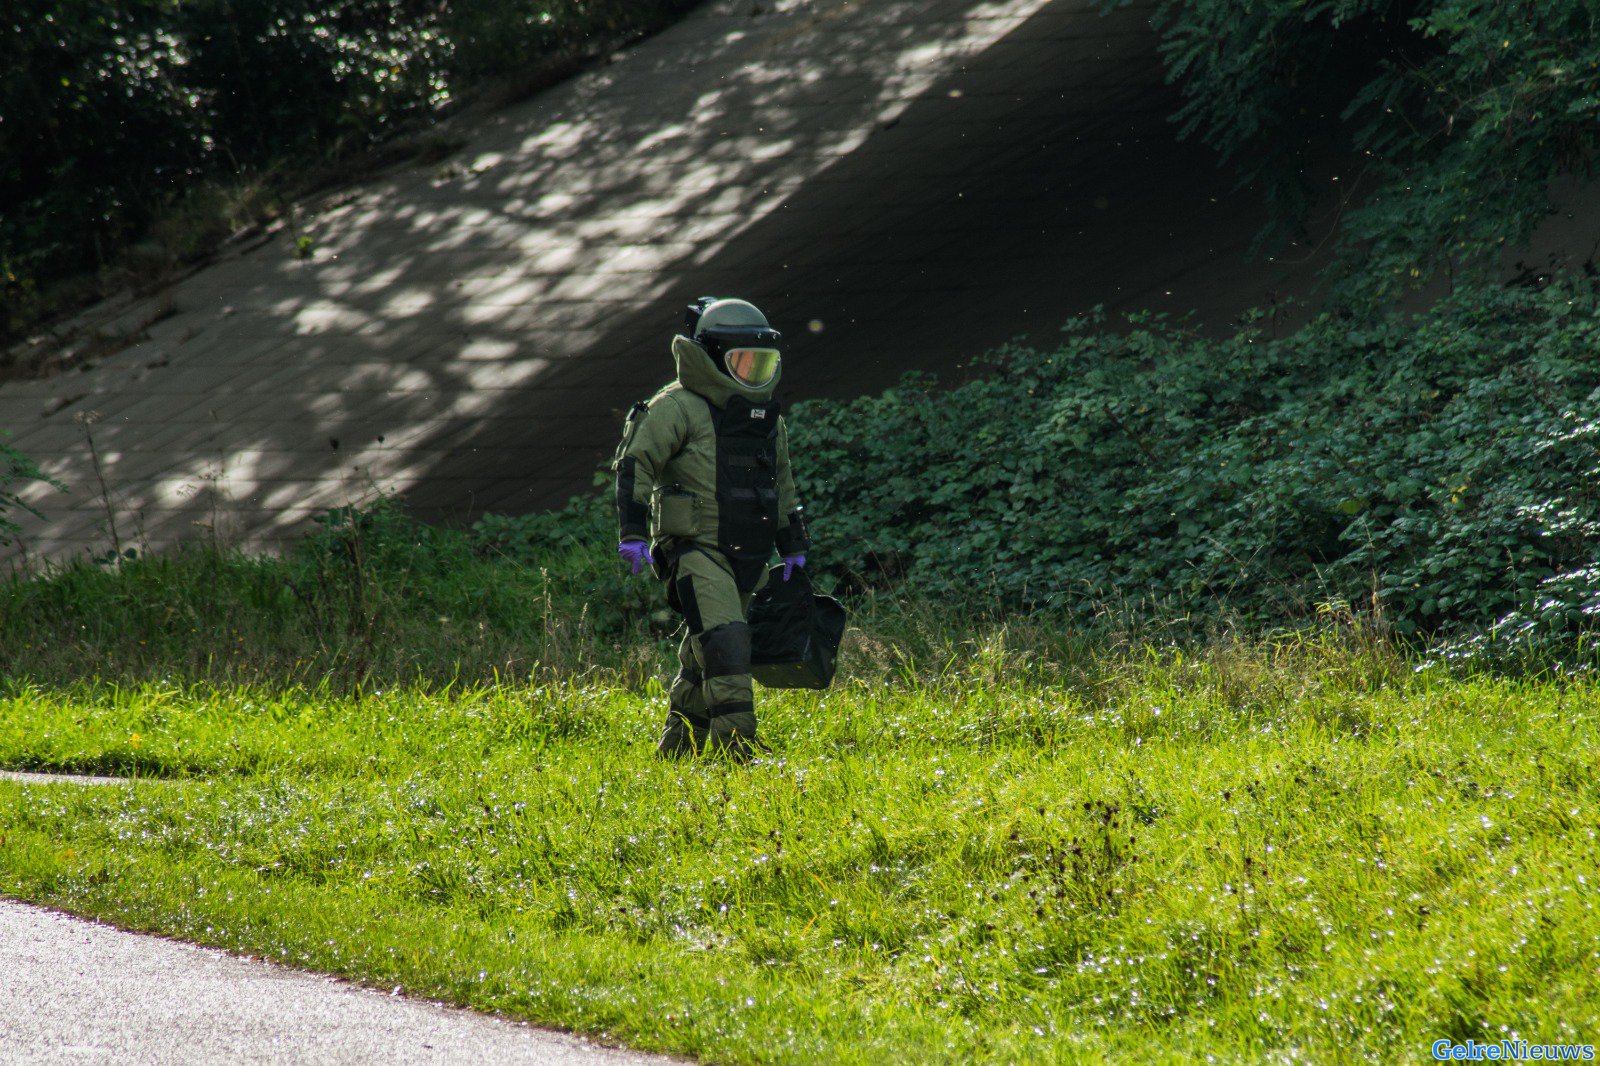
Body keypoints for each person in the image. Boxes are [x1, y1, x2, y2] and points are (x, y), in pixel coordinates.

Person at [611, 297, 810, 758]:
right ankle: (735, 748)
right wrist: (634, 533)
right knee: (726, 644)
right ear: (711, 358)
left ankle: (677, 749)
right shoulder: (676, 407)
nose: (752, 372)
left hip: (751, 553)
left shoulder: (767, 420)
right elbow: (634, 464)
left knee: (703, 657)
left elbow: (782, 483)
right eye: (742, 361)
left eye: (763, 363)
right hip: (694, 549)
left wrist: (792, 543)